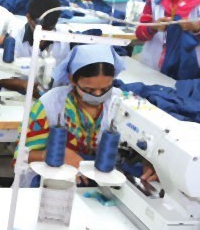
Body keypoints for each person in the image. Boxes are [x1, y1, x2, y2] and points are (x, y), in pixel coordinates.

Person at [18, 44, 134, 186]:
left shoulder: (121, 103)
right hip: (52, 183)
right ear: (72, 79)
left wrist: (149, 163)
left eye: (105, 89)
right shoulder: (49, 105)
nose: (98, 95)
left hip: (101, 183)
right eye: (89, 90)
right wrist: (50, 155)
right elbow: (21, 155)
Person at [0, 0, 71, 94]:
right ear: (28, 18)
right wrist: (25, 85)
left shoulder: (68, 39)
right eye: (41, 28)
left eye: (49, 28)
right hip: (16, 96)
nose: (44, 33)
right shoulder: (12, 39)